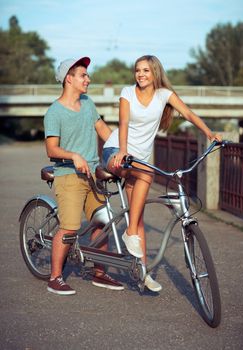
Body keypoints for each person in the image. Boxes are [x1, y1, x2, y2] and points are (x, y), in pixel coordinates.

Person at [102, 55, 222, 292]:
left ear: (155, 72)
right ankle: (128, 234)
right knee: (146, 176)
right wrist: (123, 151)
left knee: (138, 218)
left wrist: (210, 134)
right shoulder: (127, 92)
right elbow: (123, 123)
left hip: (138, 160)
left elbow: (188, 114)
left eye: (146, 70)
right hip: (117, 151)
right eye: (137, 70)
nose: (141, 74)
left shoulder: (164, 95)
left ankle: (142, 273)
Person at [44, 56, 124, 295]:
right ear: (69, 79)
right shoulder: (54, 112)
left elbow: (102, 130)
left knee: (103, 221)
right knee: (69, 227)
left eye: (87, 75)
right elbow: (51, 149)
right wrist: (74, 156)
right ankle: (55, 277)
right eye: (83, 75)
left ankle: (100, 273)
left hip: (93, 176)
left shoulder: (88, 103)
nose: (88, 79)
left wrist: (121, 150)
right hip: (68, 175)